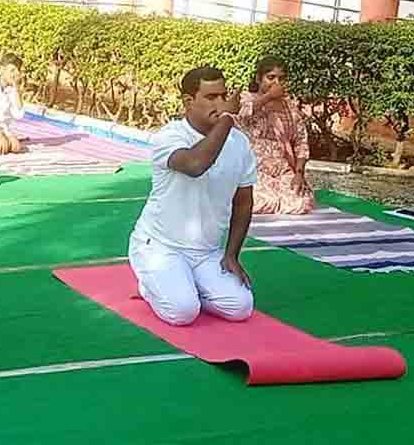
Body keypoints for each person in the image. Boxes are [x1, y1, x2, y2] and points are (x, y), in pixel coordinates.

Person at [129, 66, 257, 328]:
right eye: (211, 97)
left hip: (206, 251)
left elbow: (243, 202)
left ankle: (183, 283)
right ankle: (149, 284)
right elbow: (196, 164)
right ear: (189, 102)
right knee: (183, 312)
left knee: (241, 307)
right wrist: (228, 119)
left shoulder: (239, 143)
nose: (220, 103)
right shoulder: (170, 136)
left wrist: (232, 254)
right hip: (160, 246)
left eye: (223, 96)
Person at [237, 57, 315, 215]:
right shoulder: (245, 99)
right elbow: (241, 115)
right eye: (271, 77)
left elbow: (301, 142)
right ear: (258, 79)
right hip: (253, 170)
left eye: (281, 78)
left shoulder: (289, 106)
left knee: (302, 202)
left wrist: (299, 174)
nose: (276, 83)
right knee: (260, 201)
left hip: (282, 169)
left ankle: (278, 199)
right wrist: (268, 98)